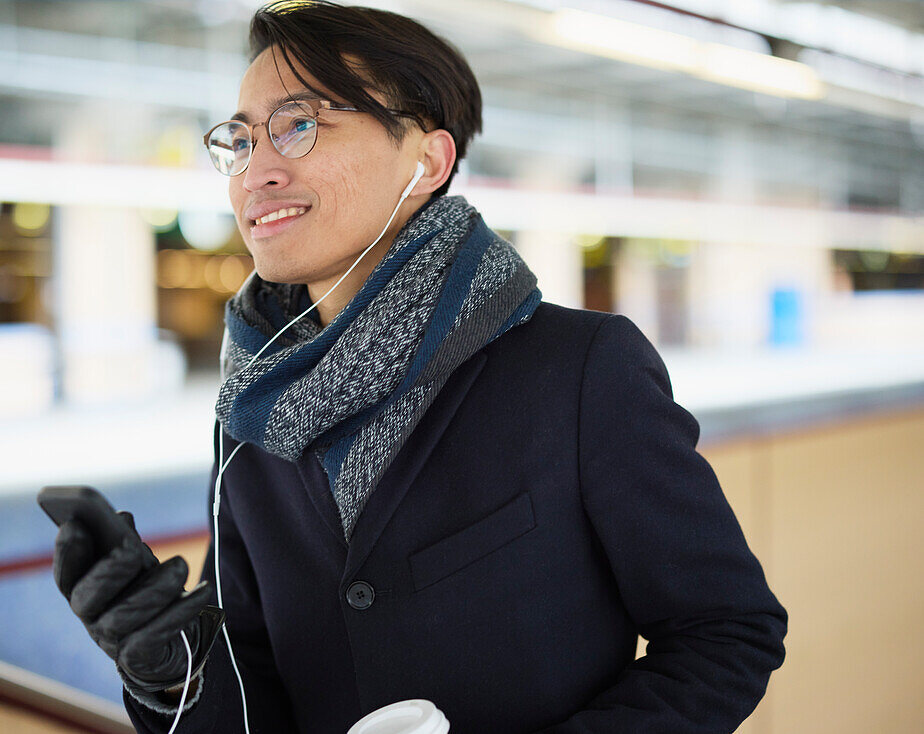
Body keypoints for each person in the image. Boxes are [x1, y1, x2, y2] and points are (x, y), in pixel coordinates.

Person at [51, 2, 787, 732]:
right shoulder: (252, 415)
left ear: (426, 161)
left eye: (299, 124)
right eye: (239, 142)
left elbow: (726, 632)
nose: (257, 172)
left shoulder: (578, 370)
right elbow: (254, 699)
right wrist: (176, 676)